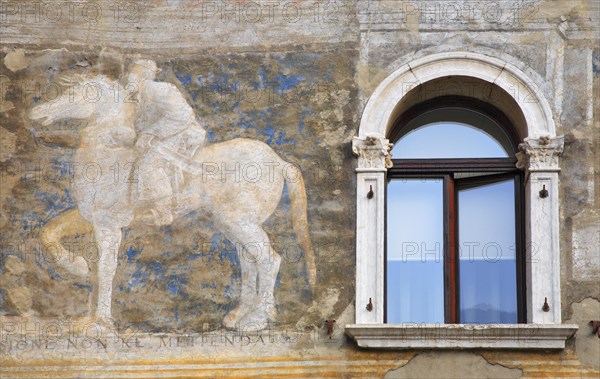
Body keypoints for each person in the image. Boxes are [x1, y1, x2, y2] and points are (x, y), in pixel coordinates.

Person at [127, 60, 207, 225]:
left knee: (149, 165)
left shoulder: (159, 89)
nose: (129, 76)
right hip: (157, 135)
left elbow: (182, 115)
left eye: (134, 72)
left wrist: (151, 133)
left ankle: (163, 212)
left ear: (143, 74)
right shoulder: (134, 95)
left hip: (179, 132)